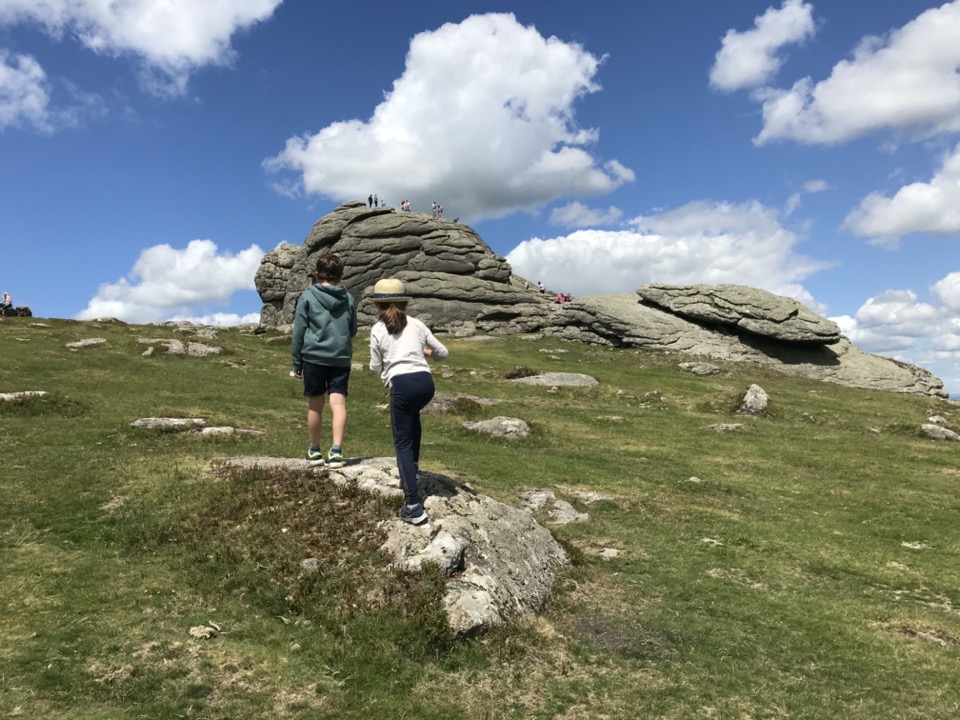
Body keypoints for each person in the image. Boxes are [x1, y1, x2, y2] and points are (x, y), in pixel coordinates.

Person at [369, 278, 448, 525]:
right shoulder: (417, 324)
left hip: (401, 385)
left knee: (401, 441)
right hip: (426, 384)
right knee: (413, 420)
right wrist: (426, 353)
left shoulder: (377, 329)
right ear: (404, 302)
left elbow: (374, 367)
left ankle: (413, 504)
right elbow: (443, 353)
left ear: (378, 306)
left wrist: (385, 367)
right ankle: (411, 474)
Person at [291, 254, 358, 468]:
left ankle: (314, 450)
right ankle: (337, 451)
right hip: (340, 357)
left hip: (313, 357)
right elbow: (353, 329)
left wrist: (297, 363)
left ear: (318, 274)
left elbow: (299, 331)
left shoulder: (308, 296)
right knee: (338, 404)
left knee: (315, 405)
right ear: (340, 274)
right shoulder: (348, 298)